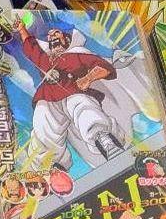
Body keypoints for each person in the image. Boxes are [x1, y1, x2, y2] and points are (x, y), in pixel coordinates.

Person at [17, 20, 129, 169]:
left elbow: (105, 67)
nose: (52, 36)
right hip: (47, 97)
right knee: (42, 123)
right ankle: (51, 164)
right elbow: (31, 48)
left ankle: (105, 140)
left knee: (83, 108)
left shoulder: (77, 55)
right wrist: (21, 29)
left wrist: (88, 78)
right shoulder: (46, 61)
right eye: (50, 36)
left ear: (67, 40)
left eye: (56, 33)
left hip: (73, 91)